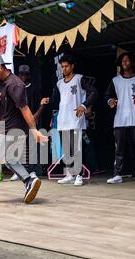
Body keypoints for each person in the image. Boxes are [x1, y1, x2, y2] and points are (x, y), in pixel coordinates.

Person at [0, 53, 48, 203]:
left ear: (0, 67)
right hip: (6, 126)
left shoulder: (15, 84)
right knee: (9, 159)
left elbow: (25, 109)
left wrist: (34, 130)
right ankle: (29, 181)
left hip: (12, 128)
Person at [41, 53, 98, 186]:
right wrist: (48, 100)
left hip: (76, 119)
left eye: (66, 66)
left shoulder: (79, 79)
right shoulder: (59, 83)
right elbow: (56, 100)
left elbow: (94, 92)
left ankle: (79, 175)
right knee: (66, 148)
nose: (64, 69)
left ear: (72, 66)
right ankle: (70, 174)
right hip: (63, 119)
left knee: (76, 148)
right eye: (62, 66)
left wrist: (84, 105)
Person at [105, 52, 135, 185]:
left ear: (133, 63)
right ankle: (117, 174)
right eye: (123, 61)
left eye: (127, 60)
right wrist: (110, 101)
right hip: (119, 120)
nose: (124, 63)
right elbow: (106, 95)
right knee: (119, 149)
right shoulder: (115, 80)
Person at [10, 64, 44, 181]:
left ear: (28, 75)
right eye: (21, 74)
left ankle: (32, 171)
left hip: (31, 120)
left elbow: (40, 105)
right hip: (19, 121)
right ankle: (20, 171)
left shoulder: (34, 88)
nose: (23, 77)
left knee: (32, 146)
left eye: (25, 74)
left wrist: (35, 117)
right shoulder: (15, 88)